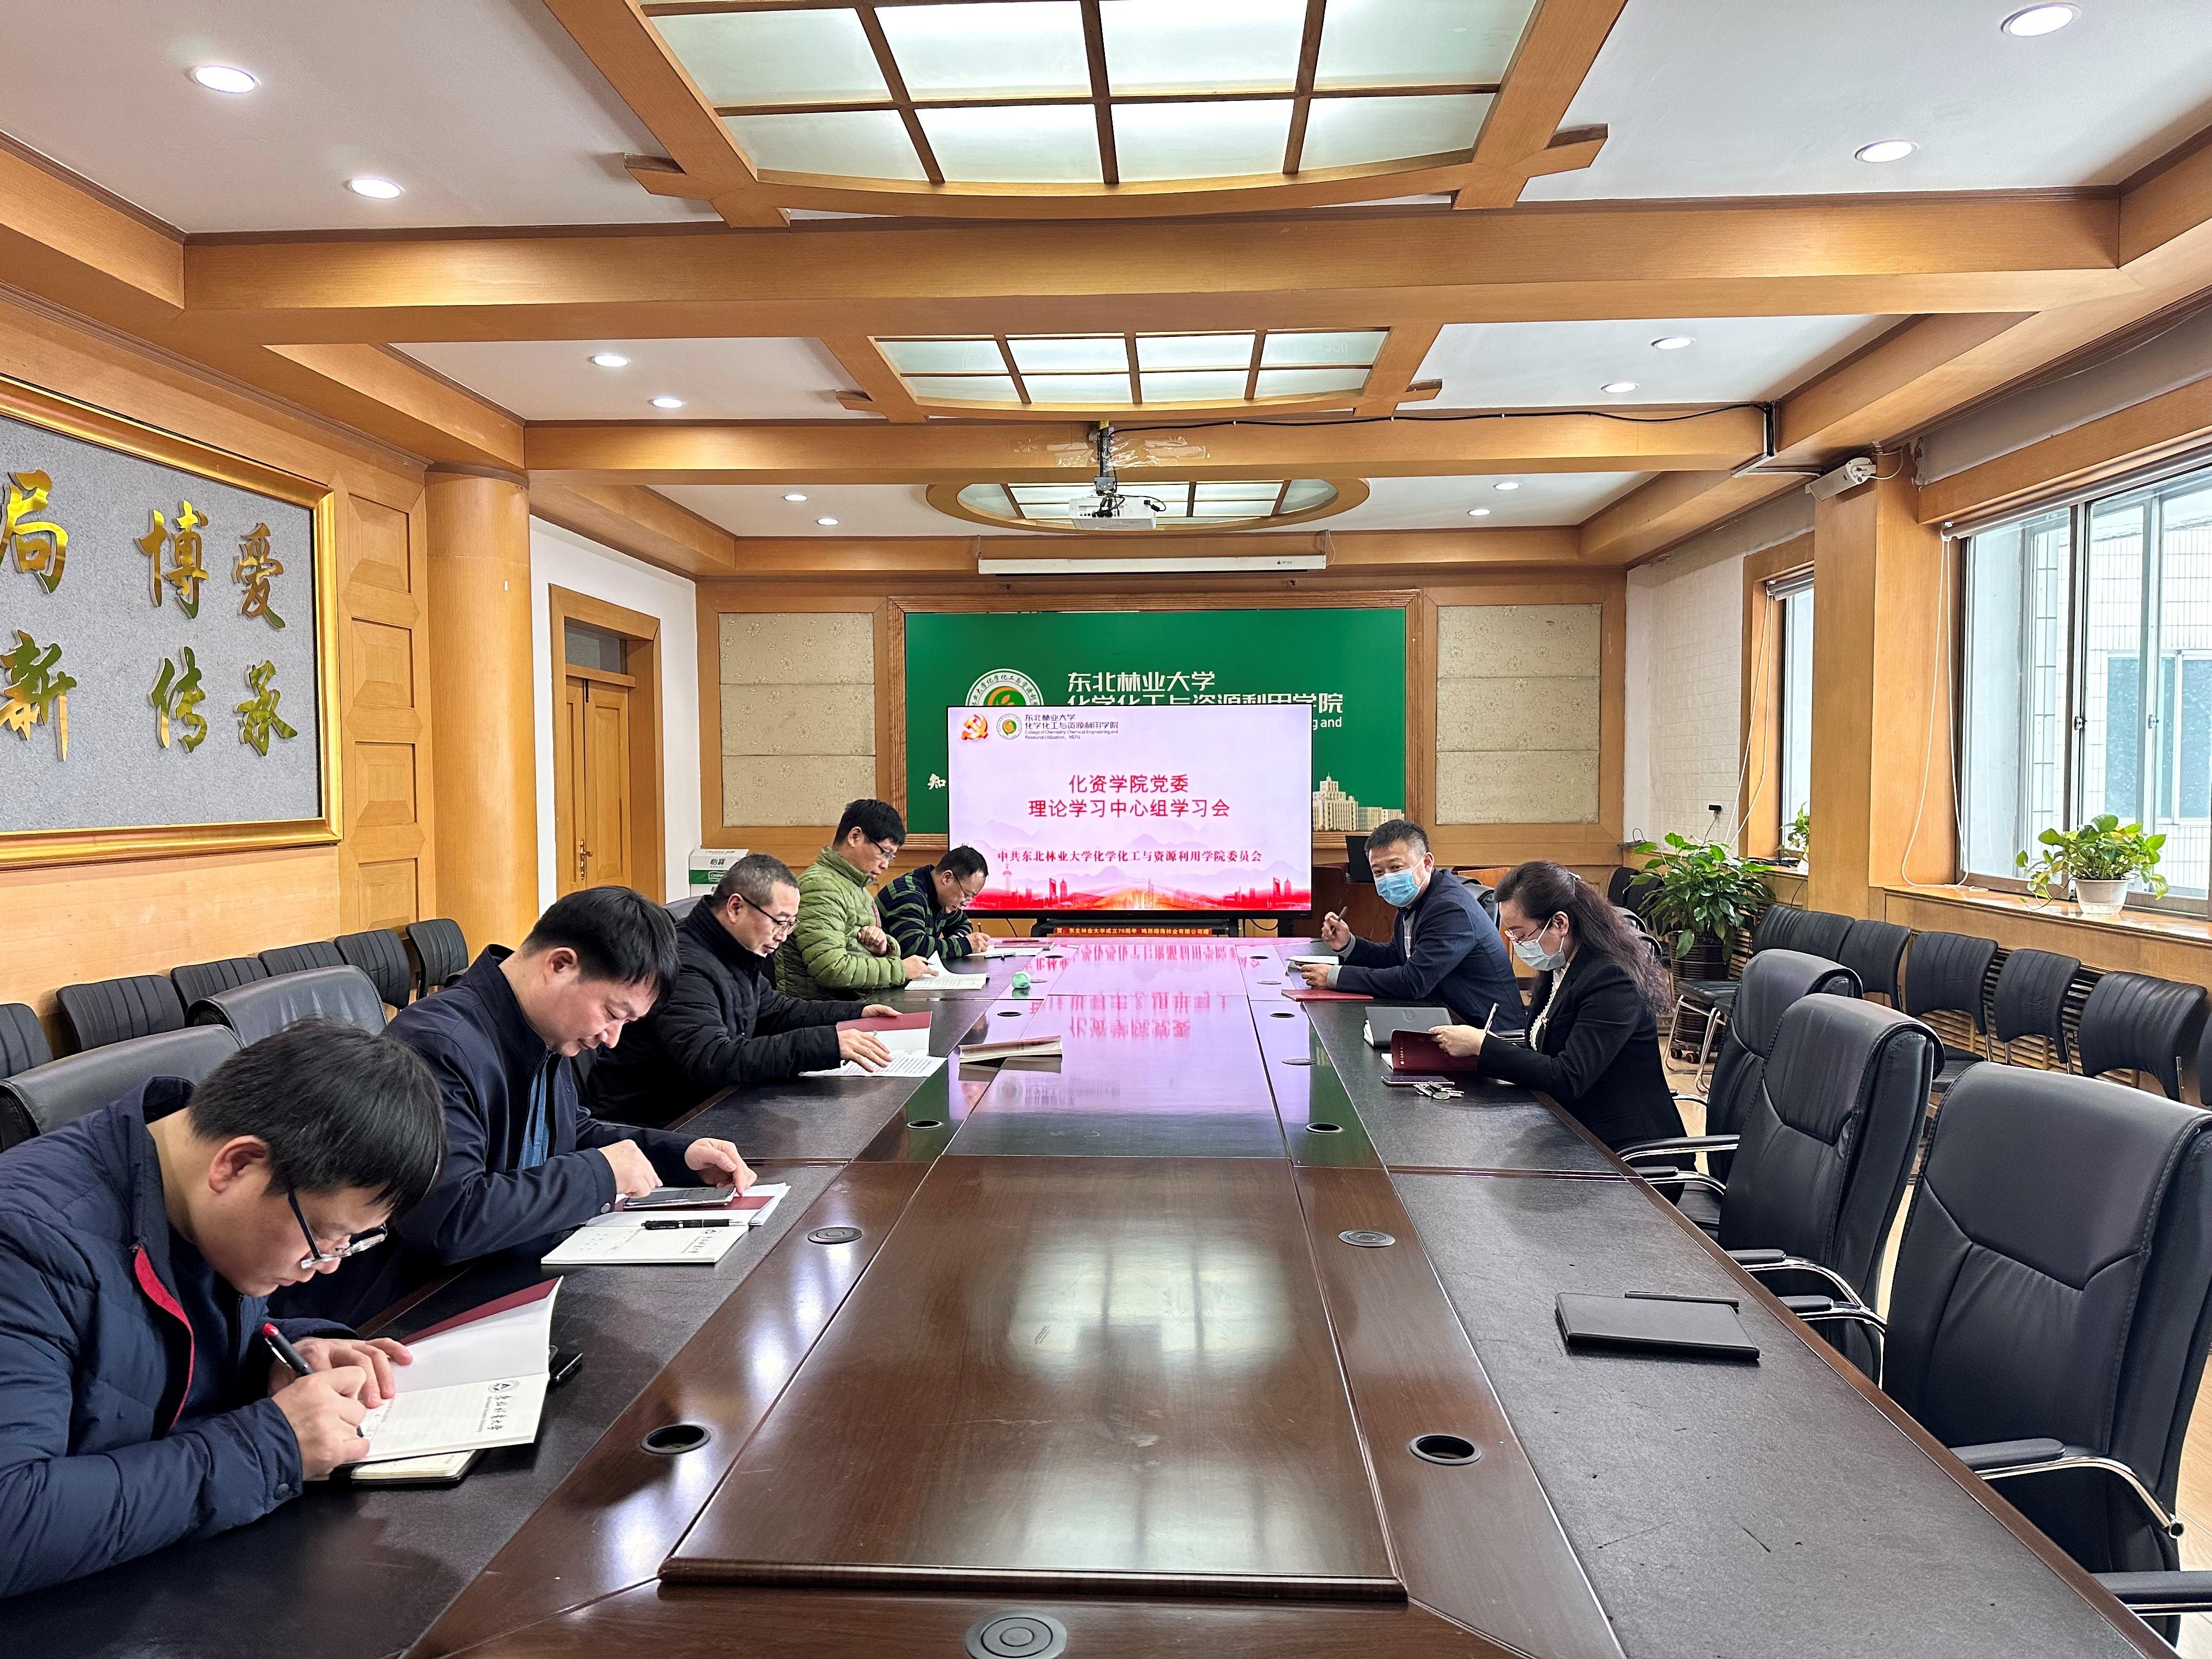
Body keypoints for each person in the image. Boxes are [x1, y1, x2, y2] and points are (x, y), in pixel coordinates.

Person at [0, 1022, 445, 1598]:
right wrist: (271, 1448)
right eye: (324, 1238)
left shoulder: (190, 1196)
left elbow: (147, 1347)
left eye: (349, 1245)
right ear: (236, 1165)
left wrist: (283, 1351)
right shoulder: (23, 1244)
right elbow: (11, 1520)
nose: (329, 1266)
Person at [275, 888, 753, 1325]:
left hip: (492, 1278)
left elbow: (564, 1133)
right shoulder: (437, 1045)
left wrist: (674, 1156)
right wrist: (601, 1174)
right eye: (612, 1014)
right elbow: (449, 1220)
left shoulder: (539, 1028)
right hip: (405, 1307)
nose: (612, 1039)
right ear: (560, 965)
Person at [586, 854, 906, 1126]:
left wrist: (857, 1014)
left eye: (791, 925)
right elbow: (710, 1059)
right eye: (779, 922)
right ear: (736, 907)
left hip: (710, 1108)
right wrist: (824, 1045)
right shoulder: (686, 963)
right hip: (658, 1122)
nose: (783, 936)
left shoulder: (735, 950)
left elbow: (775, 1011)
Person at [1425, 860, 1685, 1150]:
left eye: (1521, 934)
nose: (1517, 943)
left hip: (1625, 1147)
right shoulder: (1561, 964)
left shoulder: (1612, 979)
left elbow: (1569, 1077)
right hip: (1571, 1122)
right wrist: (1477, 1050)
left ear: (1560, 923)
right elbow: (1544, 1049)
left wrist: (1483, 1046)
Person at [1294, 818, 1523, 1030]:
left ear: (1427, 862)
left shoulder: (1450, 909)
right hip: (1446, 1018)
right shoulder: (1417, 899)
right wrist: (1349, 945)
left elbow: (1413, 982)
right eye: (1378, 872)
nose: (1387, 878)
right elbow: (1397, 957)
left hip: (1489, 1033)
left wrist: (1335, 977)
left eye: (1396, 868)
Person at [777, 798, 932, 1000]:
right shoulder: (820, 886)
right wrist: (900, 970)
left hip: (852, 1002)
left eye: (891, 857)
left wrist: (881, 949)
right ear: (855, 837)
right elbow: (832, 968)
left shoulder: (857, 887)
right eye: (884, 852)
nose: (886, 864)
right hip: (821, 1010)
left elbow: (854, 950)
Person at [878, 845, 993, 963]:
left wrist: (956, 940)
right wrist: (964, 945)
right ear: (947, 878)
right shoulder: (908, 894)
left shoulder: (943, 899)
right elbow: (914, 948)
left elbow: (963, 924)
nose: (965, 903)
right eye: (966, 895)